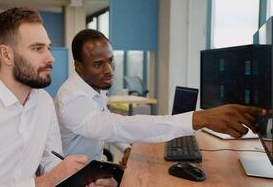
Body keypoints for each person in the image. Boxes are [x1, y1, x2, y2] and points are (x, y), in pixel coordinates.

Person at [0, 8, 116, 187]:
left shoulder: (43, 102)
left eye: (48, 48)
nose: (51, 58)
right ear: (7, 55)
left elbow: (51, 161)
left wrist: (80, 179)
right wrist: (46, 182)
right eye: (37, 48)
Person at [54, 29, 266, 161]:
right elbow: (116, 126)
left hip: (93, 168)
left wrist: (127, 148)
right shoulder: (72, 99)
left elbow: (106, 123)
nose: (109, 70)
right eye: (98, 64)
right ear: (79, 67)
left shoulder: (92, 88)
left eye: (110, 60)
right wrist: (200, 118)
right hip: (75, 176)